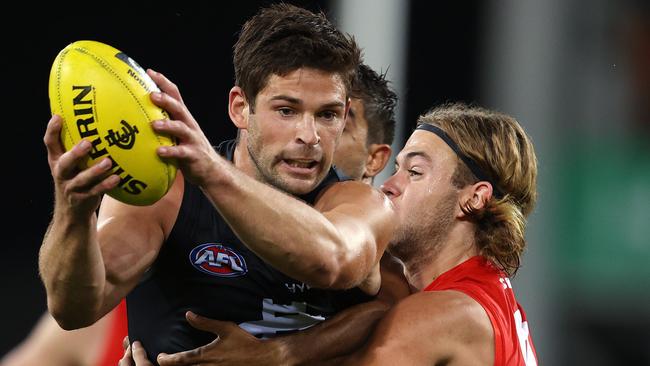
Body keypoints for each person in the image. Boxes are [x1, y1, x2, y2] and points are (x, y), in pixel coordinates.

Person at [39, 3, 396, 365]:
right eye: (286, 111)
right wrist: (74, 213)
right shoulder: (169, 193)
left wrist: (279, 357)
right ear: (241, 108)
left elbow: (333, 262)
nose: (310, 136)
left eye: (328, 115)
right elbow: (74, 311)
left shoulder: (363, 205)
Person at [133, 102, 539, 365]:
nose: (388, 186)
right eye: (395, 168)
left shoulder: (442, 313)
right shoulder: (493, 302)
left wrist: (269, 357)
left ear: (474, 198)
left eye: (414, 172)